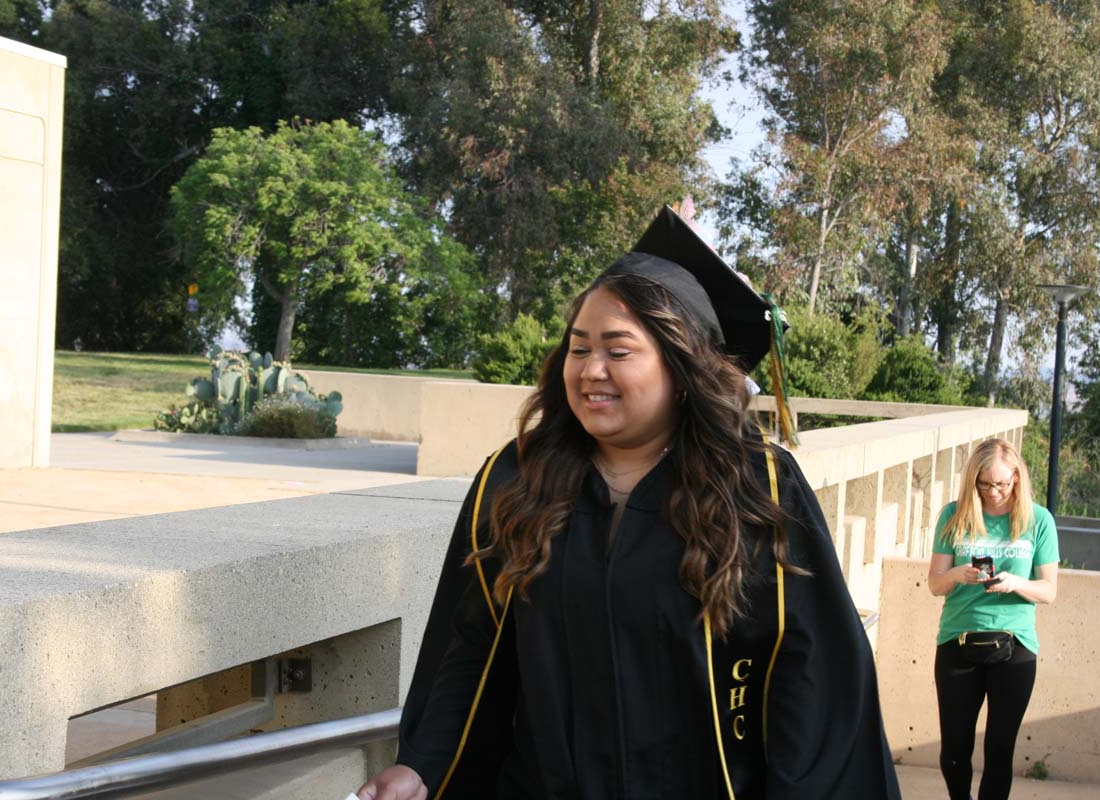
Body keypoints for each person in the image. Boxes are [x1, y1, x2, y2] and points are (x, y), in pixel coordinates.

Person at [357, 205, 902, 800]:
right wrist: (423, 767)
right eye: (578, 348)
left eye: (619, 351)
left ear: (680, 364)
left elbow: (811, 676)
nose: (592, 370)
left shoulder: (753, 486)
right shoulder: (517, 479)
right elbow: (471, 651)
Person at [926, 438, 1059, 800]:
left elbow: (1049, 591)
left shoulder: (1038, 520)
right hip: (958, 640)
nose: (994, 492)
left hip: (1015, 646)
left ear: (1017, 477)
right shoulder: (953, 515)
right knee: (954, 749)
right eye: (984, 484)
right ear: (973, 480)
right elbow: (935, 584)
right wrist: (959, 575)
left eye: (1001, 483)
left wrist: (1014, 582)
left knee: (999, 749)